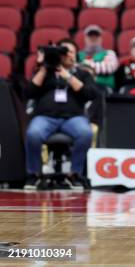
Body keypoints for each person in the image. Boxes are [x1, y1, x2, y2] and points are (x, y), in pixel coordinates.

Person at [24, 39, 97, 190]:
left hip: (73, 118)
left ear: (75, 55)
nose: (65, 55)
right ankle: (34, 175)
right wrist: (44, 68)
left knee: (85, 133)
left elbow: (89, 94)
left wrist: (67, 75)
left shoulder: (83, 74)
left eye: (69, 51)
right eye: (62, 52)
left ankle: (75, 174)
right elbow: (29, 92)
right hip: (45, 117)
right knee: (33, 133)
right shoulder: (45, 73)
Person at [78, 24, 118, 92]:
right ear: (85, 39)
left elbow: (108, 68)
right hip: (82, 87)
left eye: (96, 36)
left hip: (103, 87)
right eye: (90, 36)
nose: (93, 38)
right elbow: (73, 69)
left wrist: (84, 65)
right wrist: (99, 65)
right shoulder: (78, 54)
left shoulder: (109, 53)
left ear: (101, 39)